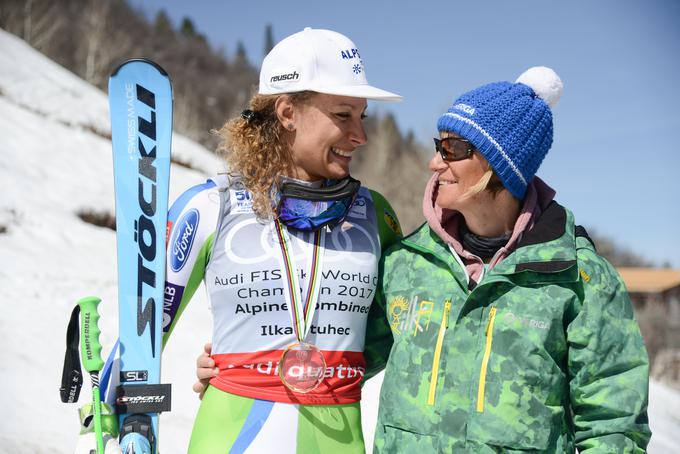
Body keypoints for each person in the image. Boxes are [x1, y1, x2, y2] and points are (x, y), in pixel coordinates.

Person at [369, 67, 651, 452]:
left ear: (500, 166)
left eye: (453, 149)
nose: (435, 163)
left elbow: (613, 427)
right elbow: (341, 362)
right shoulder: (406, 262)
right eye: (439, 146)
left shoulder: (579, 278)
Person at [163, 27, 402, 453]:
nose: (360, 136)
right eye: (343, 115)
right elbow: (139, 340)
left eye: (361, 117)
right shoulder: (209, 208)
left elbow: (396, 333)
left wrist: (325, 371)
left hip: (337, 437)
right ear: (288, 111)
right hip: (233, 434)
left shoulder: (377, 217)